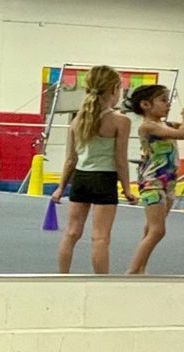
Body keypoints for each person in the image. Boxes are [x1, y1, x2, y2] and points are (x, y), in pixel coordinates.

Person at [50, 64, 135, 274]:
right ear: (115, 90)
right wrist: (127, 188)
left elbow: (70, 160)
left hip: (81, 178)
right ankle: (101, 284)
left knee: (71, 232)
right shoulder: (120, 121)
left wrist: (61, 187)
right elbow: (120, 160)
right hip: (104, 179)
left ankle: (61, 277)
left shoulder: (78, 120)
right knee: (100, 237)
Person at [124, 85, 184, 275]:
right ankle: (133, 271)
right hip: (152, 182)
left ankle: (141, 268)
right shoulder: (148, 127)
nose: (168, 103)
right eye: (163, 100)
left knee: (152, 228)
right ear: (145, 105)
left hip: (168, 183)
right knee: (157, 230)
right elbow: (183, 133)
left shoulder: (167, 125)